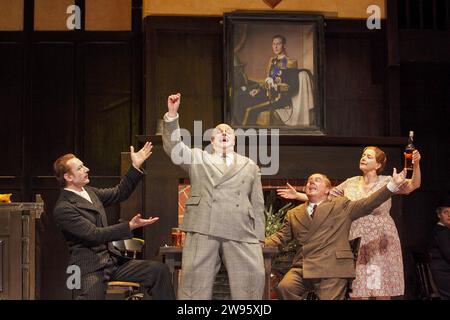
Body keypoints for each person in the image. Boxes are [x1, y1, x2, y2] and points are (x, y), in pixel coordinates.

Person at [277, 147, 421, 299]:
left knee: (379, 287)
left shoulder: (386, 181)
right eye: (363, 155)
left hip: (379, 239)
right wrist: (298, 195)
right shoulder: (350, 183)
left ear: (378, 165)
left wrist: (416, 164)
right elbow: (325, 198)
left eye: (369, 156)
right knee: (358, 289)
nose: (363, 158)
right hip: (356, 237)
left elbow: (413, 185)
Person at [163, 93, 265, 299]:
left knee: (252, 279)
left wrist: (259, 237)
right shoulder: (198, 157)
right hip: (203, 226)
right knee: (194, 283)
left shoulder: (249, 165)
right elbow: (174, 148)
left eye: (229, 131)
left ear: (234, 140)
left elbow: (257, 203)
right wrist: (172, 115)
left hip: (241, 229)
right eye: (219, 131)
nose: (224, 133)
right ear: (212, 139)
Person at [52, 143, 175, 300]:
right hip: (90, 267)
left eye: (84, 166)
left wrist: (135, 166)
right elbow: (94, 234)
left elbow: (119, 193)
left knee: (159, 271)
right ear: (68, 177)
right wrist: (129, 226)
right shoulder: (64, 208)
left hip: (113, 261)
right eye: (80, 168)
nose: (86, 169)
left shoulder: (89, 192)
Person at [237, 35, 299, 126]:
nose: (276, 46)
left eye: (278, 44)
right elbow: (268, 82)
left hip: (280, 98)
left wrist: (276, 86)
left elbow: (294, 87)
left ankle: (247, 135)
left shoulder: (290, 63)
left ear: (284, 45)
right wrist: (258, 90)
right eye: (274, 44)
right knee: (242, 99)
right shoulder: (272, 61)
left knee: (251, 110)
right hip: (267, 94)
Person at [428, 196, 450, 299]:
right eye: (446, 212)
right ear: (439, 215)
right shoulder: (441, 231)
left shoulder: (443, 230)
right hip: (443, 275)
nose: (449, 215)